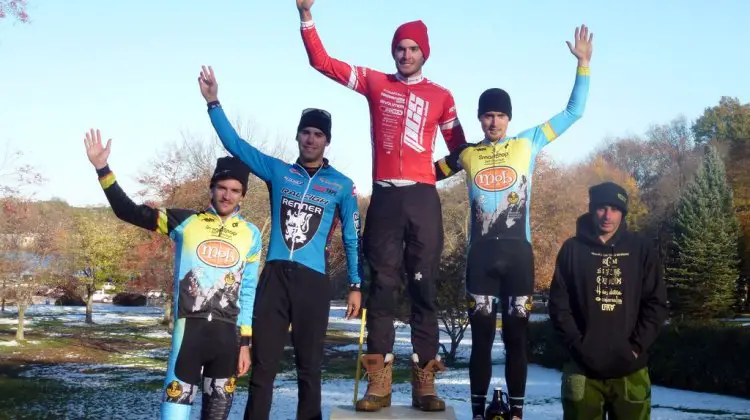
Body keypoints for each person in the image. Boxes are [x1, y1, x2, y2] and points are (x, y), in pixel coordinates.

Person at [295, 0, 467, 412]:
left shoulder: (442, 96)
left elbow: (460, 150)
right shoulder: (376, 82)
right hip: (386, 198)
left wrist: (430, 175)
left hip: (423, 199)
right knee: (383, 289)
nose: (405, 55)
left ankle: (425, 384)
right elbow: (322, 62)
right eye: (400, 49)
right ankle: (379, 383)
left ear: (425, 53)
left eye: (413, 49)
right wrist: (306, 16)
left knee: (424, 291)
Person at [434, 25, 594, 420]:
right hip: (481, 261)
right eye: (487, 115)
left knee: (518, 343)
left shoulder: (528, 142)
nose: (493, 121)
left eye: (499, 115)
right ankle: (476, 412)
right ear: (480, 118)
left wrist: (584, 65)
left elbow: (574, 113)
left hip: (519, 258)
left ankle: (518, 413)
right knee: (482, 344)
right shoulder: (466, 155)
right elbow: (424, 173)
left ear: (509, 117)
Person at [197, 66, 364, 420]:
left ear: (327, 141)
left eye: (318, 134)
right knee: (263, 369)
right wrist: (214, 103)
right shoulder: (279, 172)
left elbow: (352, 235)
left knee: (309, 369)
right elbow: (237, 146)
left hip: (312, 282)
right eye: (305, 132)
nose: (311, 139)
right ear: (298, 136)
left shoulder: (342, 185)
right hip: (273, 279)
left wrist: (355, 284)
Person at [83, 129, 261, 420]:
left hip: (227, 342)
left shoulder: (251, 234)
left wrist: (245, 344)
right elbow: (128, 211)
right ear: (212, 188)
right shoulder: (185, 221)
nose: (227, 195)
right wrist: (103, 169)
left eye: (235, 190)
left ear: (243, 194)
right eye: (221, 188)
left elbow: (249, 290)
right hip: (187, 338)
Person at [548, 182, 668, 419]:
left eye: (614, 209)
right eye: (602, 208)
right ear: (592, 209)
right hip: (582, 370)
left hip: (630, 370)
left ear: (623, 213)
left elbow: (656, 303)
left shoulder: (640, 249)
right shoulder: (572, 249)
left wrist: (635, 347)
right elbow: (559, 305)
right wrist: (577, 345)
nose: (607, 215)